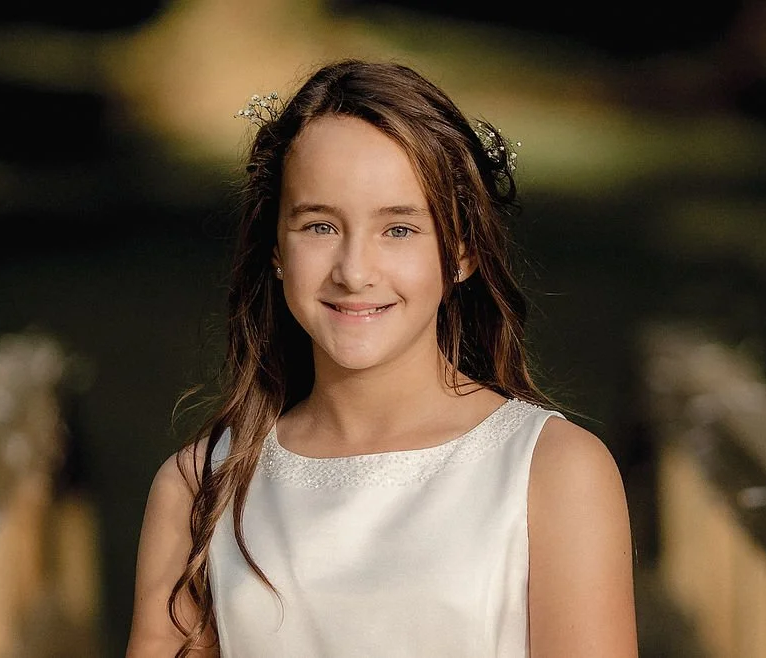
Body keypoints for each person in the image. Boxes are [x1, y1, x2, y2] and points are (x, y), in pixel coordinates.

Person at [126, 58, 638, 657]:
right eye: (320, 226)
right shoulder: (201, 489)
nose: (355, 271)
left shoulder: (554, 472)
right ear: (275, 249)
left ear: (463, 250)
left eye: (399, 229)